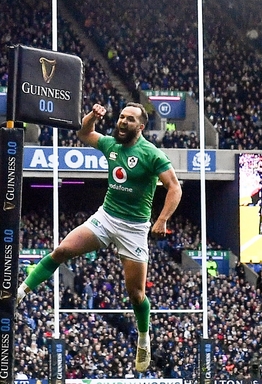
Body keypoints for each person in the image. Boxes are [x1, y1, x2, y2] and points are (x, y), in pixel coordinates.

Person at [17, 102, 182, 373]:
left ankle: (143, 338)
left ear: (141, 127)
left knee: (136, 294)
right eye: (121, 117)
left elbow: (174, 187)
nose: (123, 122)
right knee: (61, 251)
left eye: (130, 119)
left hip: (134, 229)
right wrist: (92, 117)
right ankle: (20, 293)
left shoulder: (151, 154)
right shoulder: (111, 144)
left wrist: (162, 219)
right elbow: (84, 133)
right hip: (106, 218)